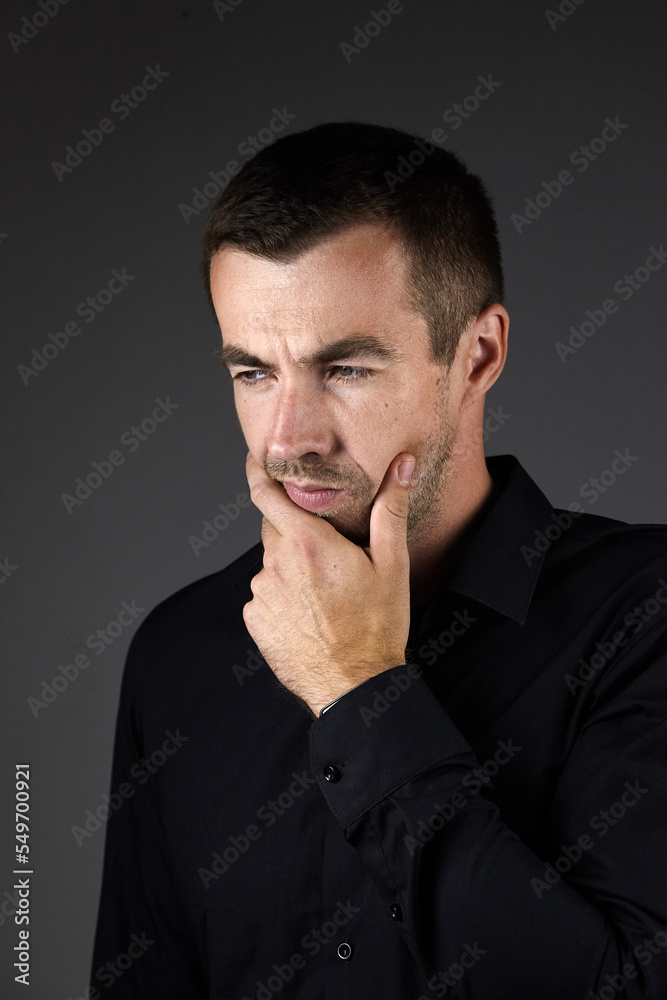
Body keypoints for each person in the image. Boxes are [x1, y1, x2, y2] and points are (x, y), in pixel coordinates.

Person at [90, 121, 667, 998]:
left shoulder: (643, 614)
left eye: (345, 369)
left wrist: (358, 691)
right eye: (253, 373)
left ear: (477, 355)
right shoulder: (178, 654)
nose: (289, 438)